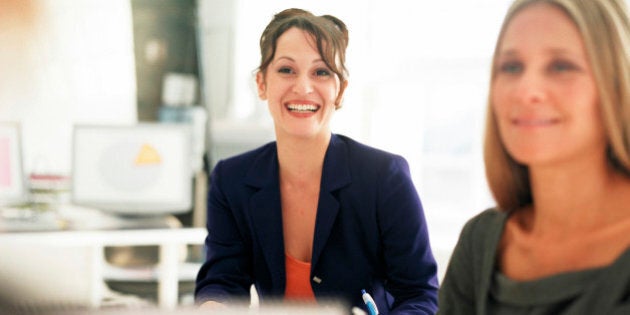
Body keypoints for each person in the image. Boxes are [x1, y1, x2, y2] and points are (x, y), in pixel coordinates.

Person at [195, 8, 438, 314]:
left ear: (340, 90)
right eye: (286, 70)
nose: (303, 87)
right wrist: (213, 306)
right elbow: (223, 279)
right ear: (261, 83)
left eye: (321, 72)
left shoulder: (385, 177)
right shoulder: (231, 179)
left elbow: (419, 293)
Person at [438, 0, 630, 313]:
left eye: (561, 66)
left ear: (617, 83)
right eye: (511, 67)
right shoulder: (480, 242)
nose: (527, 91)